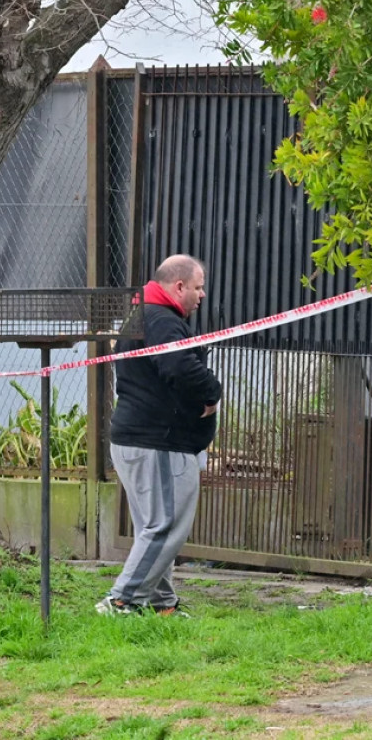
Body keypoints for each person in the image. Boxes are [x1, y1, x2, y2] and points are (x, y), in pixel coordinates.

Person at [96, 254, 222, 616]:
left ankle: (159, 602)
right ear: (178, 285)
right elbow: (180, 366)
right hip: (159, 443)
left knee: (154, 528)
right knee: (166, 527)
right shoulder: (162, 321)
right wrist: (212, 394)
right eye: (197, 287)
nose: (201, 295)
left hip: (139, 440)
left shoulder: (145, 314)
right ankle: (122, 600)